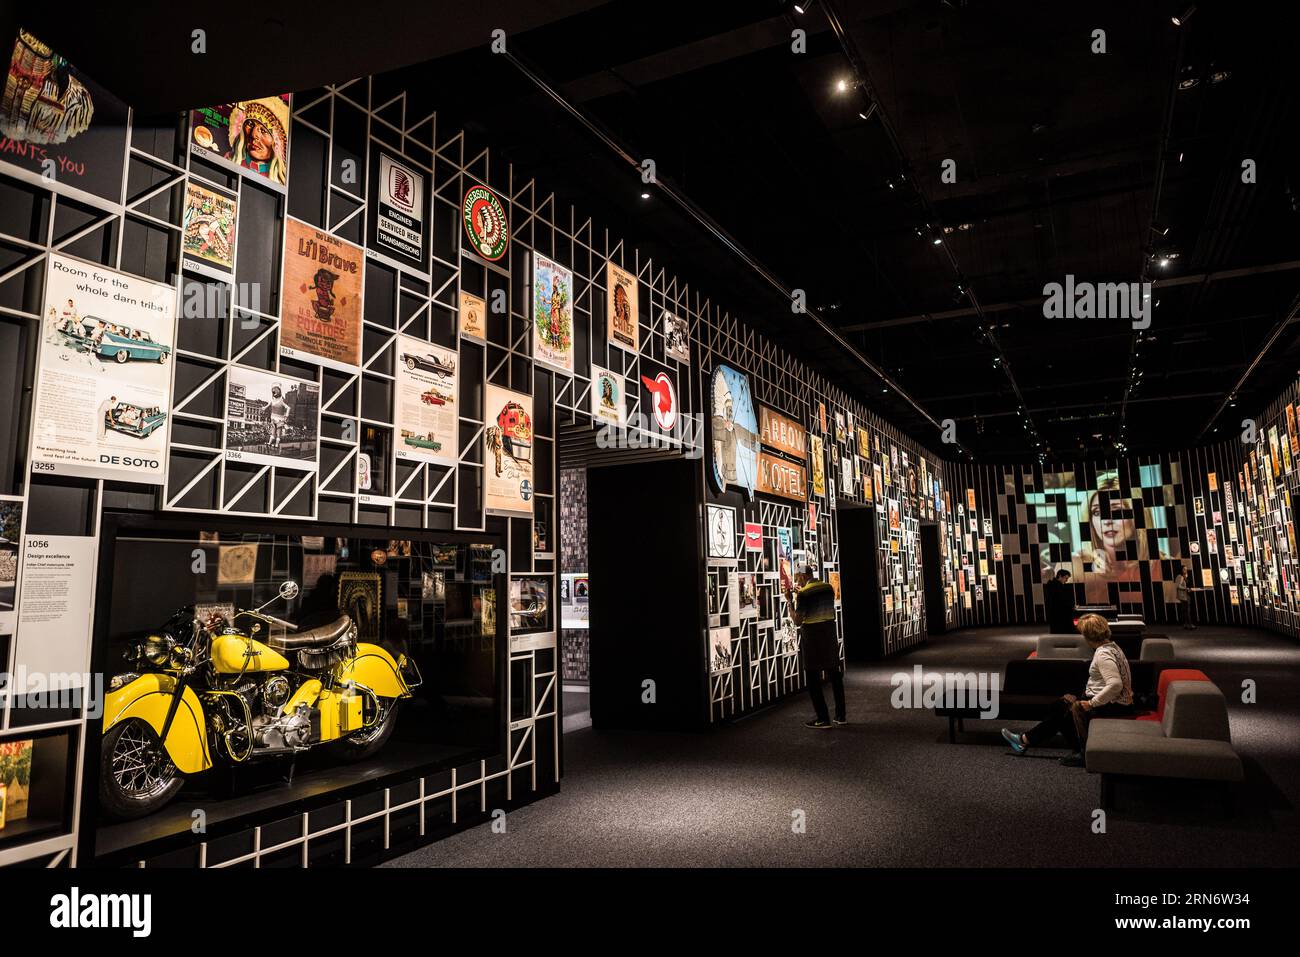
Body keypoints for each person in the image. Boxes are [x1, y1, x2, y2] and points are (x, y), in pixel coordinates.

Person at [1001, 614, 1135, 766]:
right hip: (1116, 703)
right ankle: (1026, 741)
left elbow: (1115, 684)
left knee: (1061, 710)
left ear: (1089, 635)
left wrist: (1091, 703)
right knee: (1059, 706)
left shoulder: (1103, 654)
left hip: (1113, 706)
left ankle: (1028, 741)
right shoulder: (1113, 647)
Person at [786, 563, 845, 729]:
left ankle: (822, 718)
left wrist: (790, 602)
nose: (797, 581)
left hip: (812, 636)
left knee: (813, 677)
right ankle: (841, 715)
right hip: (829, 633)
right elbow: (817, 602)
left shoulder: (803, 594)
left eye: (798, 578)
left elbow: (798, 620)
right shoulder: (828, 588)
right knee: (835, 675)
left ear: (803, 576)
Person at [1044, 568, 1075, 633]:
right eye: (1066, 578)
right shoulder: (1056, 586)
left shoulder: (1052, 585)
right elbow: (1060, 600)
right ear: (1060, 576)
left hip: (1055, 613)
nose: (1066, 581)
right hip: (1058, 613)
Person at [1175, 565, 1195, 629]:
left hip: (1185, 595)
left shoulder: (1184, 576)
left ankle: (1186, 624)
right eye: (1184, 569)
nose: (1185, 570)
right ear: (1181, 570)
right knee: (1187, 610)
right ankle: (1190, 624)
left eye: (1186, 569)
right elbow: (1178, 586)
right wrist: (1186, 588)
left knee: (1185, 610)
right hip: (1184, 596)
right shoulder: (1180, 577)